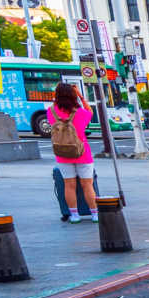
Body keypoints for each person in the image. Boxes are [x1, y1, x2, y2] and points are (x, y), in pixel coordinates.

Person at [48, 82, 97, 223]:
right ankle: (94, 214)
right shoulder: (80, 112)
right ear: (73, 95)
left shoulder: (50, 111)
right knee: (87, 185)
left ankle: (74, 216)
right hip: (82, 153)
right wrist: (81, 97)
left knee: (69, 185)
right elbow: (91, 113)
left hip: (62, 153)